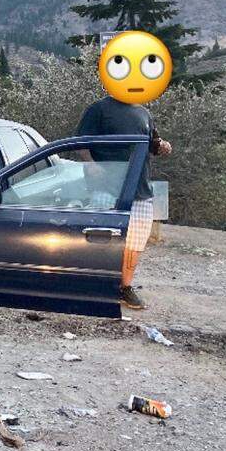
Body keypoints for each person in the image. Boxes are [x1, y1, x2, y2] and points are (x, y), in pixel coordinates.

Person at [76, 95, 172, 310]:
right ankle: (96, 284)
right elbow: (81, 142)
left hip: (139, 188)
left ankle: (124, 287)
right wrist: (90, 164)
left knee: (135, 243)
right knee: (100, 239)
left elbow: (152, 144)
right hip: (106, 187)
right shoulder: (99, 108)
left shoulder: (143, 112)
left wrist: (163, 146)